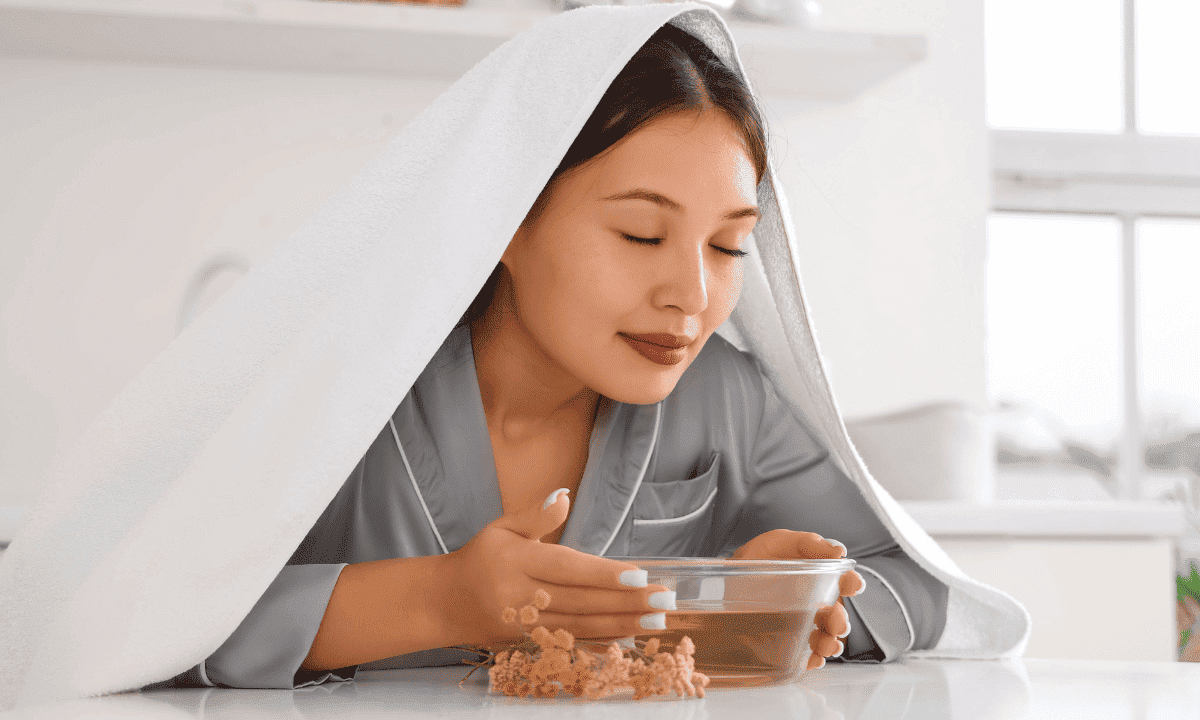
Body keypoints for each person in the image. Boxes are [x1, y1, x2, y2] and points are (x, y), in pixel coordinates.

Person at [0, 4, 1028, 710]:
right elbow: (117, 615)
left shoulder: (728, 403)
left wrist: (797, 599)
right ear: (505, 217)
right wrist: (441, 600)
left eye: (727, 247)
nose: (691, 293)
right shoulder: (347, 394)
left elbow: (917, 584)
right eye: (638, 233)